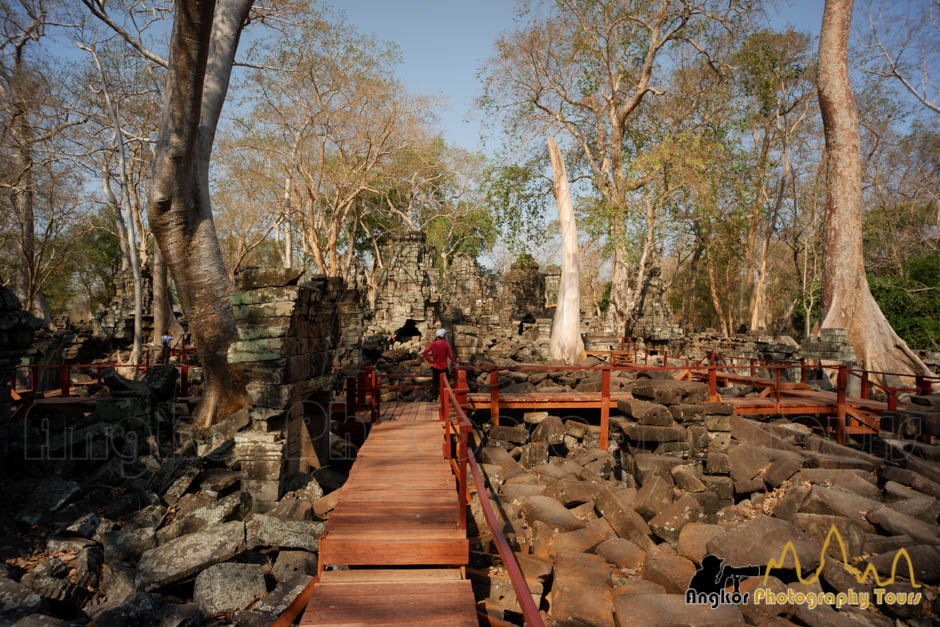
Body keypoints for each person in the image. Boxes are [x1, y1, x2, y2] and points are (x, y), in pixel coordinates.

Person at [423, 328, 458, 399]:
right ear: (444, 336)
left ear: (437, 336)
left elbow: (425, 352)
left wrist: (430, 361)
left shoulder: (433, 344)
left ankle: (434, 398)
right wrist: (456, 360)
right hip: (444, 368)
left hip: (435, 367)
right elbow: (451, 356)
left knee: (435, 383)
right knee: (446, 383)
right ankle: (444, 398)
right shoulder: (446, 344)